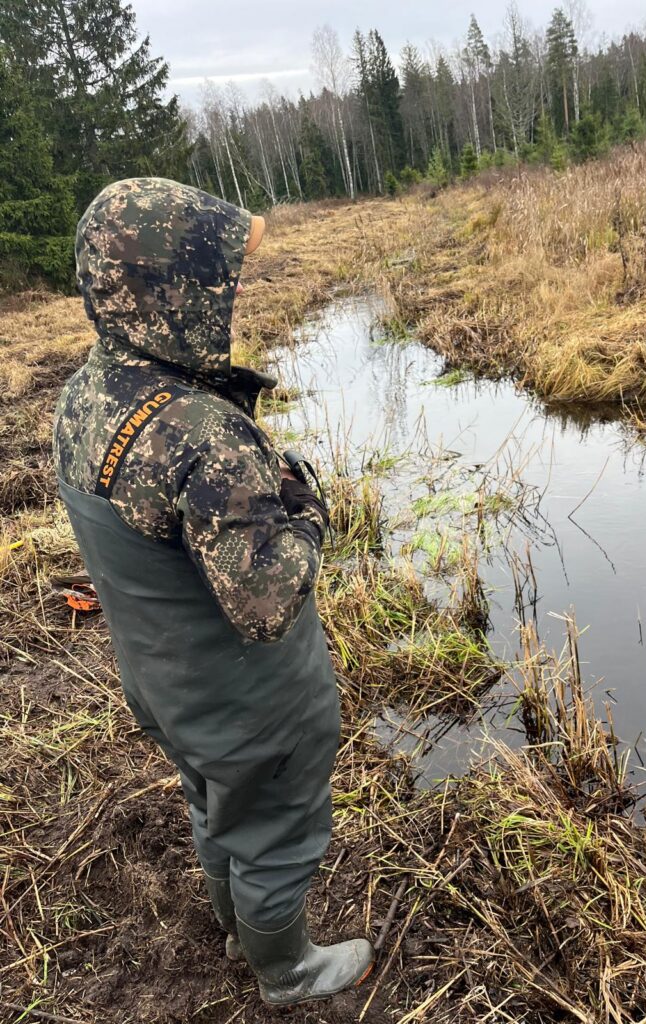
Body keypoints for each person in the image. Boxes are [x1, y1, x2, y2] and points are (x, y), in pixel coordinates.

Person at [53, 177, 374, 1006]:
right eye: (216, 275)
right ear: (170, 290)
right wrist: (307, 509)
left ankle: (236, 924)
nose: (229, 290)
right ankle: (286, 969)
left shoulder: (86, 396)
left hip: (165, 684)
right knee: (276, 829)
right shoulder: (198, 434)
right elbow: (266, 603)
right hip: (251, 705)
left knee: (214, 800)